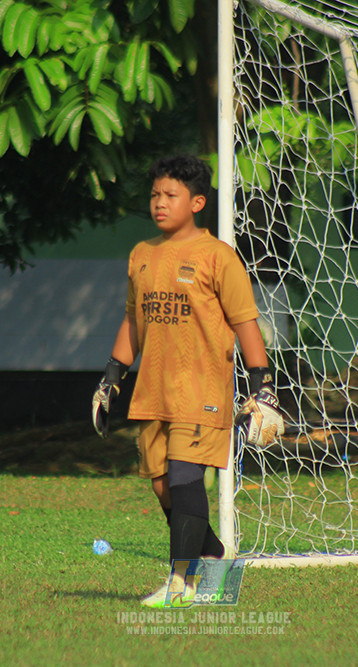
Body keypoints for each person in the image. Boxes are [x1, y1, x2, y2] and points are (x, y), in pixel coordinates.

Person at [91, 155, 284, 608]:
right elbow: (132, 322)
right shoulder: (142, 254)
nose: (160, 202)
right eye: (155, 194)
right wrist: (110, 380)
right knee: (163, 486)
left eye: (170, 195)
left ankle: (182, 584)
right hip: (152, 391)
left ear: (196, 202)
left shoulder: (219, 257)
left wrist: (263, 386)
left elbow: (246, 324)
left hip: (201, 392)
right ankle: (217, 558)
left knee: (183, 478)